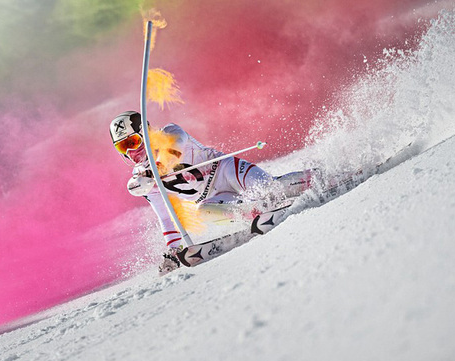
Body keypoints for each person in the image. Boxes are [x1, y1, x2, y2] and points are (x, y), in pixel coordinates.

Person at [109, 111, 314, 273]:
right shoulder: (145, 180)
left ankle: (318, 177)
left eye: (132, 142)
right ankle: (255, 213)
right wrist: (174, 249)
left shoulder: (170, 132)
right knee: (202, 211)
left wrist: (155, 169)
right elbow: (166, 214)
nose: (130, 152)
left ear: (145, 133)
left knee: (272, 188)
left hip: (226, 171)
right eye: (122, 148)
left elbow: (174, 150)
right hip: (212, 196)